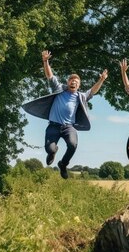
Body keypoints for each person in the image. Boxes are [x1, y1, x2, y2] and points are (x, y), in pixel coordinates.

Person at [23, 50, 108, 179]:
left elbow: (93, 91)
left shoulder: (81, 96)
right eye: (71, 81)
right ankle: (53, 153)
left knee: (73, 145)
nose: (73, 83)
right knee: (50, 149)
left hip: (69, 127)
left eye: (76, 82)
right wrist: (45, 61)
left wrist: (101, 79)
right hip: (53, 126)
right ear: (68, 82)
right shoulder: (59, 89)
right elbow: (50, 76)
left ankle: (63, 164)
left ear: (79, 85)